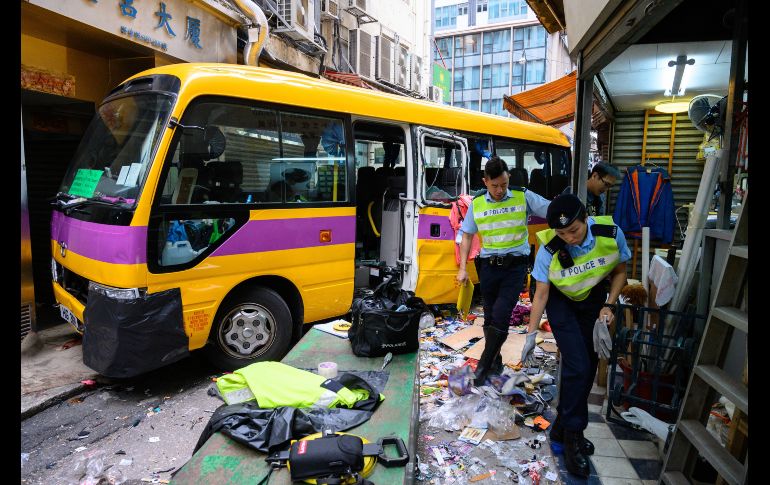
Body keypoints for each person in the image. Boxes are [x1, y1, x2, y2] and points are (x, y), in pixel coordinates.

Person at [520, 193, 630, 478]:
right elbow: (541, 294)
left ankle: (561, 428)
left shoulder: (610, 234)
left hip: (593, 300)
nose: (569, 238)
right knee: (577, 365)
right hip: (561, 303)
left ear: (586, 219)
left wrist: (609, 305)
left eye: (574, 230)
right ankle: (573, 436)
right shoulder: (549, 248)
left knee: (588, 366)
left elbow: (620, 272)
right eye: (562, 233)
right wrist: (531, 335)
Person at [456, 156, 550, 386]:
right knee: (489, 318)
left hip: (514, 268)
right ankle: (495, 362)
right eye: (495, 185)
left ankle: (482, 368)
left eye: (504, 184)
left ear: (509, 179)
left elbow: (551, 210)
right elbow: (467, 235)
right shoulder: (477, 203)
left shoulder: (522, 196)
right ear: (485, 182)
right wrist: (463, 269)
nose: (500, 190)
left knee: (501, 314)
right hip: (487, 267)